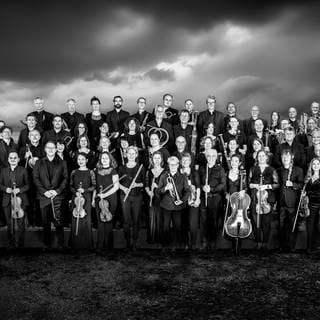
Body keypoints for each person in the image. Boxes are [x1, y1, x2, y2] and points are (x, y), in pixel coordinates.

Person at [33, 141, 68, 249]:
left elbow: (65, 178)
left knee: (59, 221)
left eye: (53, 148)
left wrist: (57, 191)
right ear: (45, 149)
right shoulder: (38, 162)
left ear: (56, 149)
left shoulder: (62, 162)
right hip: (44, 196)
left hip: (57, 196)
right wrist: (44, 191)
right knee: (45, 222)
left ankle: (61, 244)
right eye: (48, 147)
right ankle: (47, 244)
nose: (51, 149)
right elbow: (36, 178)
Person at [157, 156, 190, 251]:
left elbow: (187, 191)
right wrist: (165, 188)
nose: (172, 166)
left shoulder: (183, 176)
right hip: (166, 205)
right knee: (165, 226)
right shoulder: (164, 176)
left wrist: (183, 200)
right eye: (171, 164)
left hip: (178, 206)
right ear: (168, 165)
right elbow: (158, 191)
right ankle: (165, 246)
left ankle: (177, 246)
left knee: (178, 226)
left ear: (178, 165)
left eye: (174, 164)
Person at [249, 149, 279, 250]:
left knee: (266, 222)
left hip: (267, 199)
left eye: (263, 156)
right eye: (259, 156)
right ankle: (258, 242)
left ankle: (265, 242)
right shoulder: (253, 169)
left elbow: (277, 184)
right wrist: (255, 185)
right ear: (257, 158)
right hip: (255, 198)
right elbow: (247, 183)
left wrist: (267, 186)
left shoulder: (272, 170)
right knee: (255, 221)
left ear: (266, 157)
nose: (261, 158)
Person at [0, 151, 30, 249]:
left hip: (20, 200)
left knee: (21, 224)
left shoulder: (23, 170)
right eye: (11, 158)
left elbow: (28, 185)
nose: (13, 160)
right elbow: (0, 185)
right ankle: (11, 245)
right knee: (9, 224)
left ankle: (20, 246)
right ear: (8, 159)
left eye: (15, 158)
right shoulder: (3, 171)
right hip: (7, 200)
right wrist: (6, 189)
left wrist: (19, 189)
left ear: (18, 159)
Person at [118, 146, 146, 251]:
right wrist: (124, 188)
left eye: (133, 153)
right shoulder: (121, 168)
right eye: (129, 153)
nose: (131, 155)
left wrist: (136, 184)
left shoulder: (141, 168)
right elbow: (117, 183)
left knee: (136, 220)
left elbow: (144, 183)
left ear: (136, 155)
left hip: (137, 197)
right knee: (126, 220)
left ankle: (134, 243)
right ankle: (127, 243)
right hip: (124, 196)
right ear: (126, 155)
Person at [199, 149, 226, 251]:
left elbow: (223, 185)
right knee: (203, 221)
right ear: (206, 157)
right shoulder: (202, 169)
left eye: (212, 156)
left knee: (213, 221)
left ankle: (213, 243)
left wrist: (212, 189)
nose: (210, 158)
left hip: (215, 198)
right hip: (204, 198)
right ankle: (204, 242)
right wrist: (202, 187)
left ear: (216, 157)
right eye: (208, 156)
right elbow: (198, 182)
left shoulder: (220, 169)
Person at [277, 150, 304, 252]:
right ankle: (282, 246)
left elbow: (302, 185)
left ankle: (292, 246)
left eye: (287, 156)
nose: (285, 158)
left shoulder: (298, 170)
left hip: (292, 202)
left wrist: (292, 184)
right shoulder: (279, 170)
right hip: (281, 202)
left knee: (292, 225)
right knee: (281, 225)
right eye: (283, 156)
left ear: (291, 157)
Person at [93, 152, 119, 251]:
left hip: (111, 198)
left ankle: (108, 246)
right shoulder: (96, 171)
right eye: (102, 158)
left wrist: (105, 195)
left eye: (106, 158)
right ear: (100, 160)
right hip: (99, 199)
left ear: (110, 159)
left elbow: (116, 187)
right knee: (100, 221)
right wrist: (93, 198)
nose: (104, 160)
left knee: (108, 221)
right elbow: (95, 187)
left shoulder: (113, 171)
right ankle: (100, 246)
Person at [69, 153, 95, 250]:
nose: (80, 161)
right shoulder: (74, 172)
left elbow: (94, 186)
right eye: (79, 159)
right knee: (75, 219)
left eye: (83, 159)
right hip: (76, 198)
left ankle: (86, 245)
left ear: (87, 160)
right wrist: (75, 192)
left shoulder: (91, 172)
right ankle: (75, 245)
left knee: (86, 220)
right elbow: (70, 186)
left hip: (86, 198)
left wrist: (85, 190)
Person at [180, 152, 200, 251]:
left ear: (190, 161)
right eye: (183, 160)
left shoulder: (194, 172)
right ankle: (185, 244)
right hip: (182, 201)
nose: (185, 162)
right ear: (181, 161)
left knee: (193, 224)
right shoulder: (178, 172)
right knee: (183, 223)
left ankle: (193, 244)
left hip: (192, 200)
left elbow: (198, 187)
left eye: (187, 160)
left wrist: (198, 199)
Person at [145, 151, 165, 244]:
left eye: (158, 158)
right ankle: (152, 239)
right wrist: (149, 191)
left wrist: (158, 187)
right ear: (152, 160)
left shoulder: (165, 171)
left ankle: (160, 239)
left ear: (161, 160)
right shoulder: (149, 171)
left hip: (161, 198)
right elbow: (146, 184)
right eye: (155, 158)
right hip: (151, 197)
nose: (156, 160)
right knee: (151, 217)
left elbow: (166, 186)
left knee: (160, 217)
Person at [305, 157, 320, 253]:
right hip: (310, 205)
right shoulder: (308, 178)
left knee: (318, 225)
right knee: (310, 226)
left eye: (318, 164)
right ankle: (309, 247)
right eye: (314, 164)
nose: (316, 166)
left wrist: (309, 193)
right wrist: (304, 193)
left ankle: (318, 246)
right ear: (311, 166)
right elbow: (306, 191)